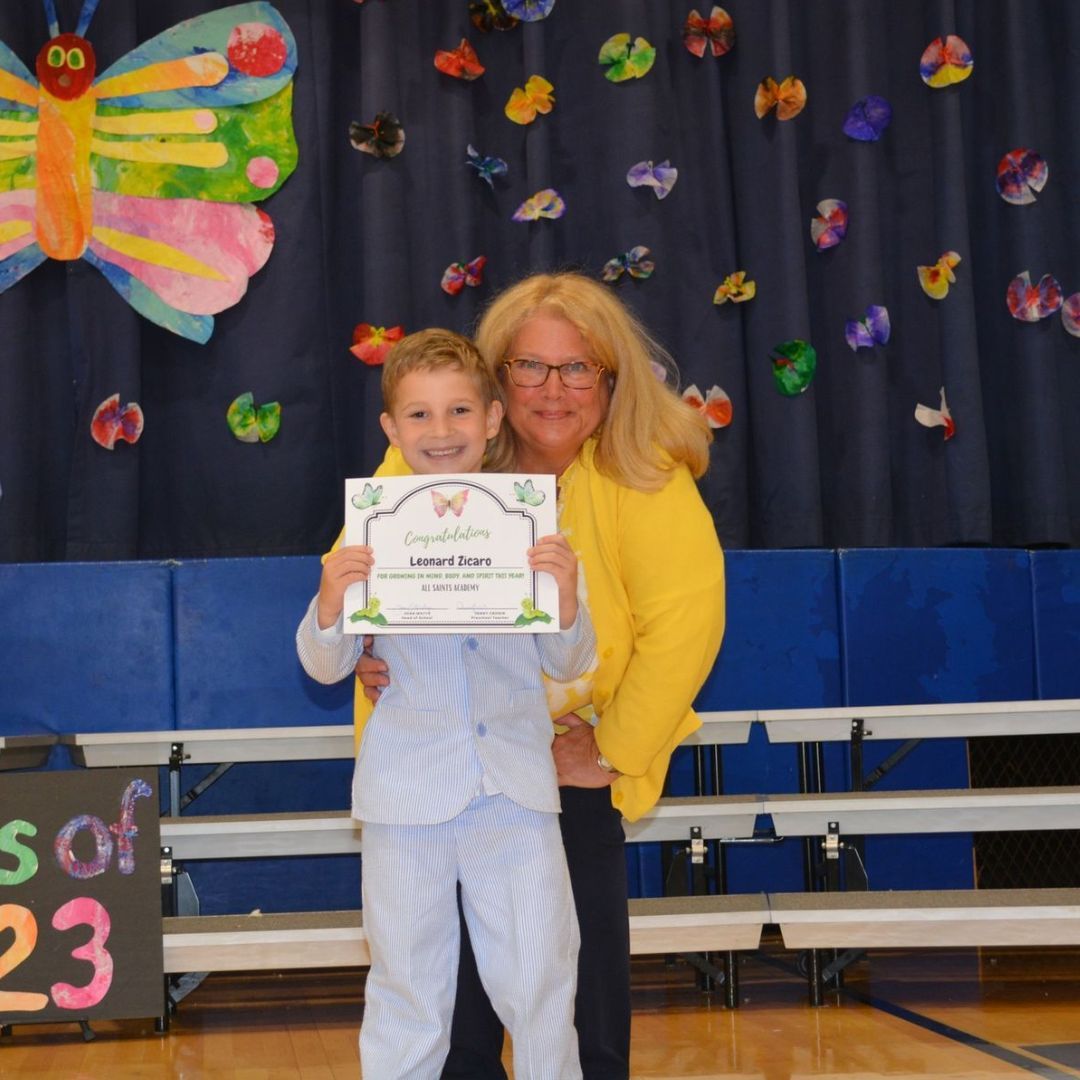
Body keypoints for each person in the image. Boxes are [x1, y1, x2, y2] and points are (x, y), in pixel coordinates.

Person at [354, 273, 727, 1079]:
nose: (552, 391)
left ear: (610, 378)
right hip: (441, 767)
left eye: (577, 368)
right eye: (529, 367)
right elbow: (352, 576)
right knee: (450, 1008)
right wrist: (366, 647)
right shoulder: (430, 453)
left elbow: (686, 628)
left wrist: (611, 748)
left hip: (566, 766)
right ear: (495, 384)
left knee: (575, 1002)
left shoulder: (647, 471)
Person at [297, 329, 596, 1079]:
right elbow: (324, 664)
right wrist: (332, 602)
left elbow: (568, 661)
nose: (442, 431)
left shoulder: (532, 525)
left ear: (494, 419)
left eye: (460, 411)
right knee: (408, 989)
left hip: (515, 791)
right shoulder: (368, 535)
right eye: (421, 416)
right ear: (391, 429)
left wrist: (564, 600)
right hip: (406, 793)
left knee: (541, 983)